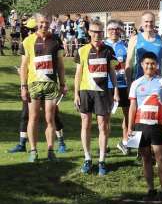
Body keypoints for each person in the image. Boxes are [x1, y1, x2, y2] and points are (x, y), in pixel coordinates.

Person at [19, 13, 68, 162]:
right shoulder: (28, 41)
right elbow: (24, 66)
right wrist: (23, 86)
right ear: (36, 23)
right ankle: (33, 150)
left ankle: (50, 150)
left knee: (50, 118)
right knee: (32, 117)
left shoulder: (56, 39)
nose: (44, 25)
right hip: (34, 85)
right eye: (41, 22)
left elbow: (60, 65)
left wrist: (63, 83)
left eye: (46, 23)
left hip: (51, 85)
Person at [74, 20, 120, 175]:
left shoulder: (109, 50)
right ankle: (87, 158)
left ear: (103, 33)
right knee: (85, 124)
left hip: (102, 92)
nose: (97, 35)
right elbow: (78, 73)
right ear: (88, 32)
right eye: (94, 31)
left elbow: (113, 72)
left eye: (100, 32)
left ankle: (101, 161)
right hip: (85, 91)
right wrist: (75, 93)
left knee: (103, 125)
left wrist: (116, 90)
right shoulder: (82, 50)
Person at [127, 51, 162, 200]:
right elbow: (132, 106)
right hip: (140, 125)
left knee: (161, 158)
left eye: (152, 63)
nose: (150, 66)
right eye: (147, 63)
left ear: (157, 65)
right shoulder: (136, 83)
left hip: (157, 126)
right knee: (146, 158)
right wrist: (129, 127)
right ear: (142, 65)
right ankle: (150, 189)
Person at [105, 21, 132, 155]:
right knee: (106, 116)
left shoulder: (125, 46)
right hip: (107, 85)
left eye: (116, 29)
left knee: (127, 114)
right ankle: (104, 143)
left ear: (120, 31)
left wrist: (130, 83)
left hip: (123, 85)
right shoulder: (102, 46)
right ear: (107, 30)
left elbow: (128, 66)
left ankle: (125, 142)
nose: (114, 31)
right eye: (111, 29)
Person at [126, 11, 162, 82]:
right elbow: (128, 63)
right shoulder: (134, 39)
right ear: (142, 23)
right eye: (146, 21)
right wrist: (129, 83)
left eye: (151, 21)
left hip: (157, 82)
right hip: (139, 81)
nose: (149, 24)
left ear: (154, 23)